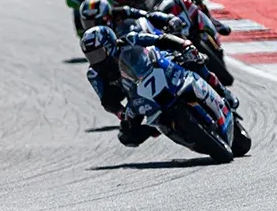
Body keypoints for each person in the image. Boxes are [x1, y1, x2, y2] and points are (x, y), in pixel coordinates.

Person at [80, 25, 238, 148]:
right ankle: (160, 129)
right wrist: (121, 113)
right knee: (126, 137)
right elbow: (106, 101)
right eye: (91, 57)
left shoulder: (130, 39)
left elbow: (160, 39)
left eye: (98, 54)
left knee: (195, 62)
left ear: (109, 45)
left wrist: (184, 45)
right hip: (136, 96)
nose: (95, 61)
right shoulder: (94, 74)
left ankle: (224, 92)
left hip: (159, 70)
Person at [77, 0, 185, 38]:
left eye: (93, 23)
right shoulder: (93, 43)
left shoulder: (121, 12)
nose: (91, 28)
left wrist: (167, 19)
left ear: (106, 17)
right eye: (87, 23)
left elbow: (147, 15)